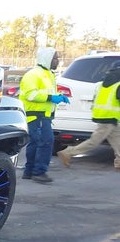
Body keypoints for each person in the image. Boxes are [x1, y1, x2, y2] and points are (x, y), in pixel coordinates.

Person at [57, 61, 120, 171]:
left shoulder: (103, 82)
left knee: (117, 141)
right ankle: (68, 152)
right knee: (94, 142)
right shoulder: (118, 84)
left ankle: (119, 163)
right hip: (109, 117)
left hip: (106, 116)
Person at [18, 47, 69, 183]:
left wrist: (59, 96)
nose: (58, 61)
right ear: (47, 59)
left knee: (36, 142)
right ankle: (39, 172)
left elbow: (47, 92)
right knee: (46, 141)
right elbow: (30, 94)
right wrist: (51, 98)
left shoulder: (48, 74)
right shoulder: (34, 74)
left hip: (43, 115)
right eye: (55, 58)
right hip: (36, 114)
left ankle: (29, 171)